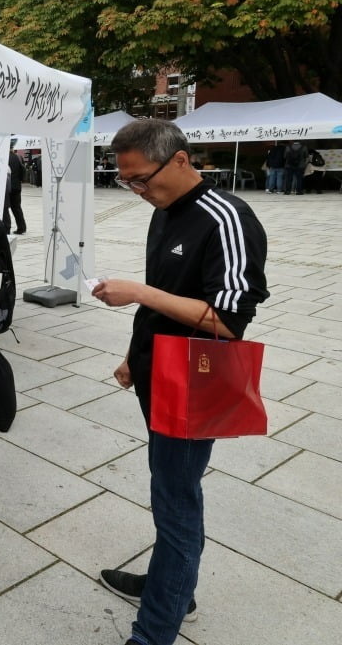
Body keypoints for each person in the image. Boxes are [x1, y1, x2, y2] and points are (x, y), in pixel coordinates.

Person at [92, 118, 268, 645]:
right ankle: (173, 587)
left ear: (181, 160)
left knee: (175, 502)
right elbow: (165, 294)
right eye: (126, 181)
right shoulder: (163, 211)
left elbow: (229, 319)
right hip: (158, 370)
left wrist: (141, 294)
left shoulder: (227, 218)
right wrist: (133, 354)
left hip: (196, 380)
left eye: (141, 179)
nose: (136, 190)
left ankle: (156, 629)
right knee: (169, 490)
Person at [3, 151, 26, 234]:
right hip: (16, 186)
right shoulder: (17, 157)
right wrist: (20, 180)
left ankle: (6, 227)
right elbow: (23, 169)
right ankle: (22, 227)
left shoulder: (3, 156)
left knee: (5, 207)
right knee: (16, 208)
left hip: (7, 186)